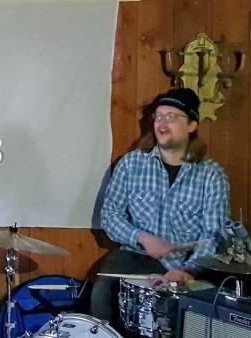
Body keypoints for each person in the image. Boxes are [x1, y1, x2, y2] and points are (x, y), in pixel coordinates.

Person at [92, 88, 230, 329]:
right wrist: (142, 237)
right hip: (136, 257)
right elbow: (110, 215)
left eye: (172, 117)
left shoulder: (211, 175)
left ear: (191, 125)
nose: (162, 124)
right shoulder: (132, 163)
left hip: (188, 264)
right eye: (158, 116)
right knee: (104, 291)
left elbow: (214, 234)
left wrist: (189, 269)